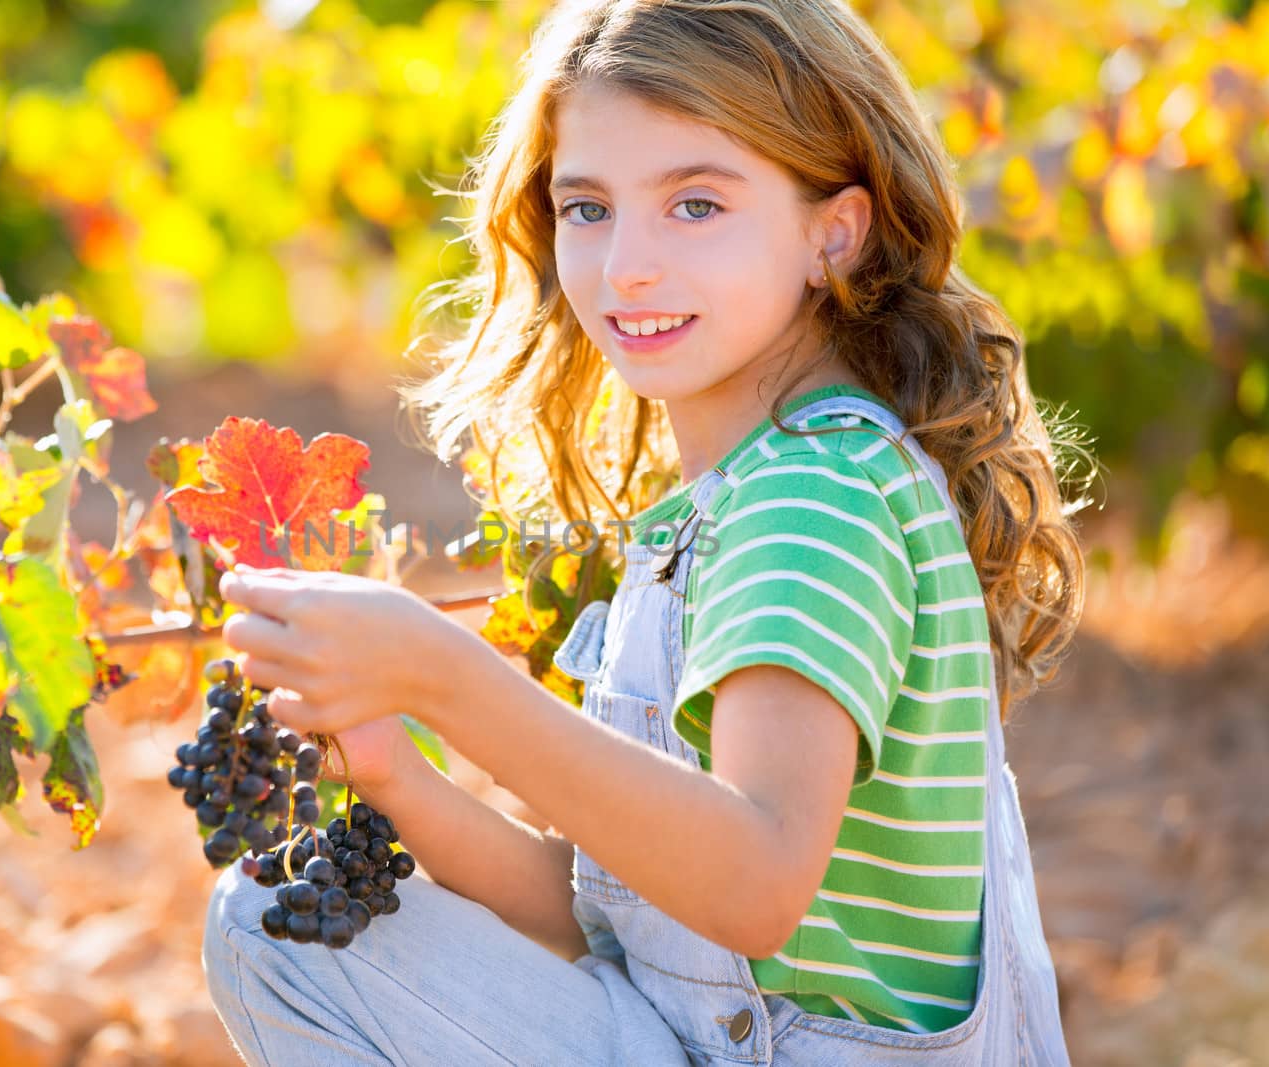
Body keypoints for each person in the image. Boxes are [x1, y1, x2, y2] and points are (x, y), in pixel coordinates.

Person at [201, 0, 1088, 1063]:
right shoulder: (767, 489)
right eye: (586, 208)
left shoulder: (813, 500)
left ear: (832, 230)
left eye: (696, 204)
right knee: (287, 905)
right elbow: (615, 922)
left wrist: (444, 675)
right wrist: (396, 768)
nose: (624, 264)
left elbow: (751, 884)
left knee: (270, 933)